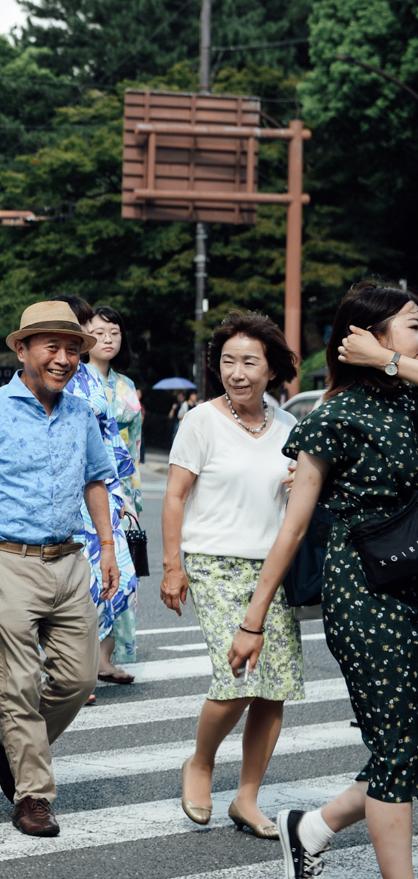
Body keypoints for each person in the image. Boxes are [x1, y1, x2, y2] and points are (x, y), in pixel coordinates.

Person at [254, 282, 418, 879]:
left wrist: (389, 363)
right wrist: (252, 617)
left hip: (415, 582)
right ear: (368, 335)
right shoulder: (334, 418)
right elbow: (294, 529)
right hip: (369, 594)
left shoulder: (410, 397)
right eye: (413, 323)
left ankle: (312, 826)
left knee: (406, 750)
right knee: (398, 749)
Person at [0, 300, 118, 838]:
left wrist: (107, 546)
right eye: (51, 346)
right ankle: (33, 797)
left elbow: (95, 480)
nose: (63, 358)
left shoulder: (81, 413)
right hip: (7, 561)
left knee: (79, 677)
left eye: (71, 349)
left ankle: (7, 748)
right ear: (23, 349)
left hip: (69, 561)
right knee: (17, 686)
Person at [161, 311, 302, 839]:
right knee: (237, 677)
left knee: (273, 689)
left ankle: (247, 798)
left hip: (272, 568)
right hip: (213, 562)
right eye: (227, 361)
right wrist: (173, 567)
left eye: (249, 361)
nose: (237, 372)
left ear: (272, 370)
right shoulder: (200, 421)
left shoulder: (288, 426)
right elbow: (175, 497)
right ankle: (200, 762)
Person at [56, 297, 139, 686]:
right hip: (59, 496)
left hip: (99, 495)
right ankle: (73, 671)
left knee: (118, 577)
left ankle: (96, 661)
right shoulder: (43, 376)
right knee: (72, 585)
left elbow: (111, 442)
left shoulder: (92, 380)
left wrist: (121, 495)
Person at [84, 304, 145, 670]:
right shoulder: (75, 376)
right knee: (94, 572)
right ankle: (85, 657)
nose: (108, 339)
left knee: (123, 575)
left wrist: (133, 495)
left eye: (115, 333)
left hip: (123, 482)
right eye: (100, 332)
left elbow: (134, 444)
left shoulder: (127, 385)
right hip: (92, 483)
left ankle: (107, 657)